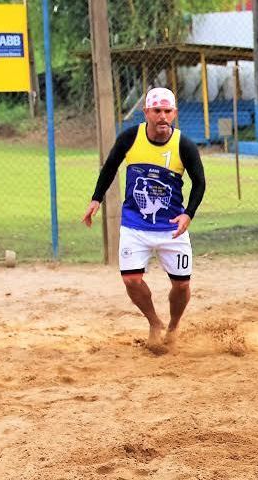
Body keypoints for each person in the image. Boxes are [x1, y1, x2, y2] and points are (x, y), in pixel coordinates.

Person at [82, 87, 206, 353]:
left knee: (182, 284)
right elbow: (110, 167)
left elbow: (200, 183)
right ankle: (154, 322)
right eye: (157, 111)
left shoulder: (183, 145)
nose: (162, 116)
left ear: (174, 113)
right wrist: (96, 199)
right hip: (135, 225)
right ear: (146, 112)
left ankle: (173, 326)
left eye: (167, 111)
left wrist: (188, 213)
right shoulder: (130, 137)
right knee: (131, 280)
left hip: (171, 227)